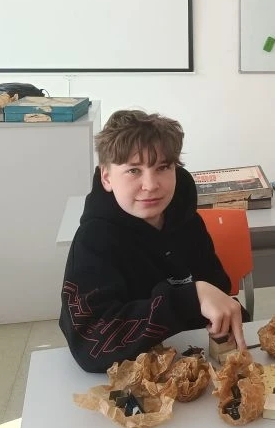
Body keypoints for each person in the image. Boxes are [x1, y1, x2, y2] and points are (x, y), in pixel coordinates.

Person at [59, 110, 245, 372]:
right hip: (129, 377)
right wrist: (189, 299)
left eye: (163, 167)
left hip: (195, 362)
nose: (151, 185)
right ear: (106, 177)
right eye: (134, 170)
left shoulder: (187, 221)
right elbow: (91, 344)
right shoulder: (93, 241)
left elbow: (217, 290)